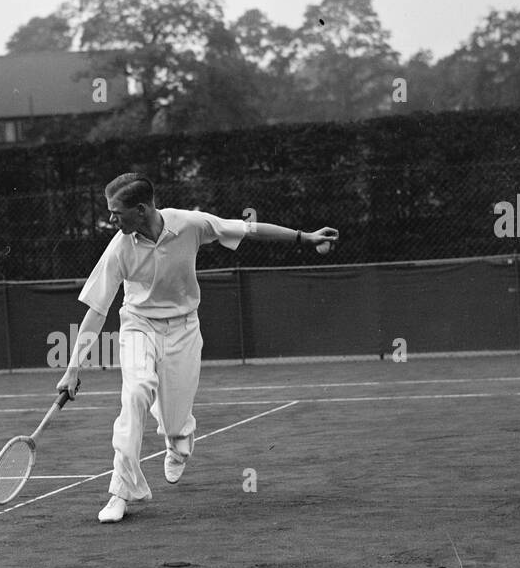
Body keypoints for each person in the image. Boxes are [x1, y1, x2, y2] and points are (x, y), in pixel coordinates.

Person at [55, 173, 339, 523]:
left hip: (184, 330)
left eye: (116, 212)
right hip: (138, 327)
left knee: (174, 423)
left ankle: (178, 440)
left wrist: (304, 237)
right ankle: (120, 492)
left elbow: (248, 230)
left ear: (141, 209)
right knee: (136, 394)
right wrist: (73, 368)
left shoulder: (190, 223)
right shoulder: (118, 248)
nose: (111, 220)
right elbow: (97, 311)